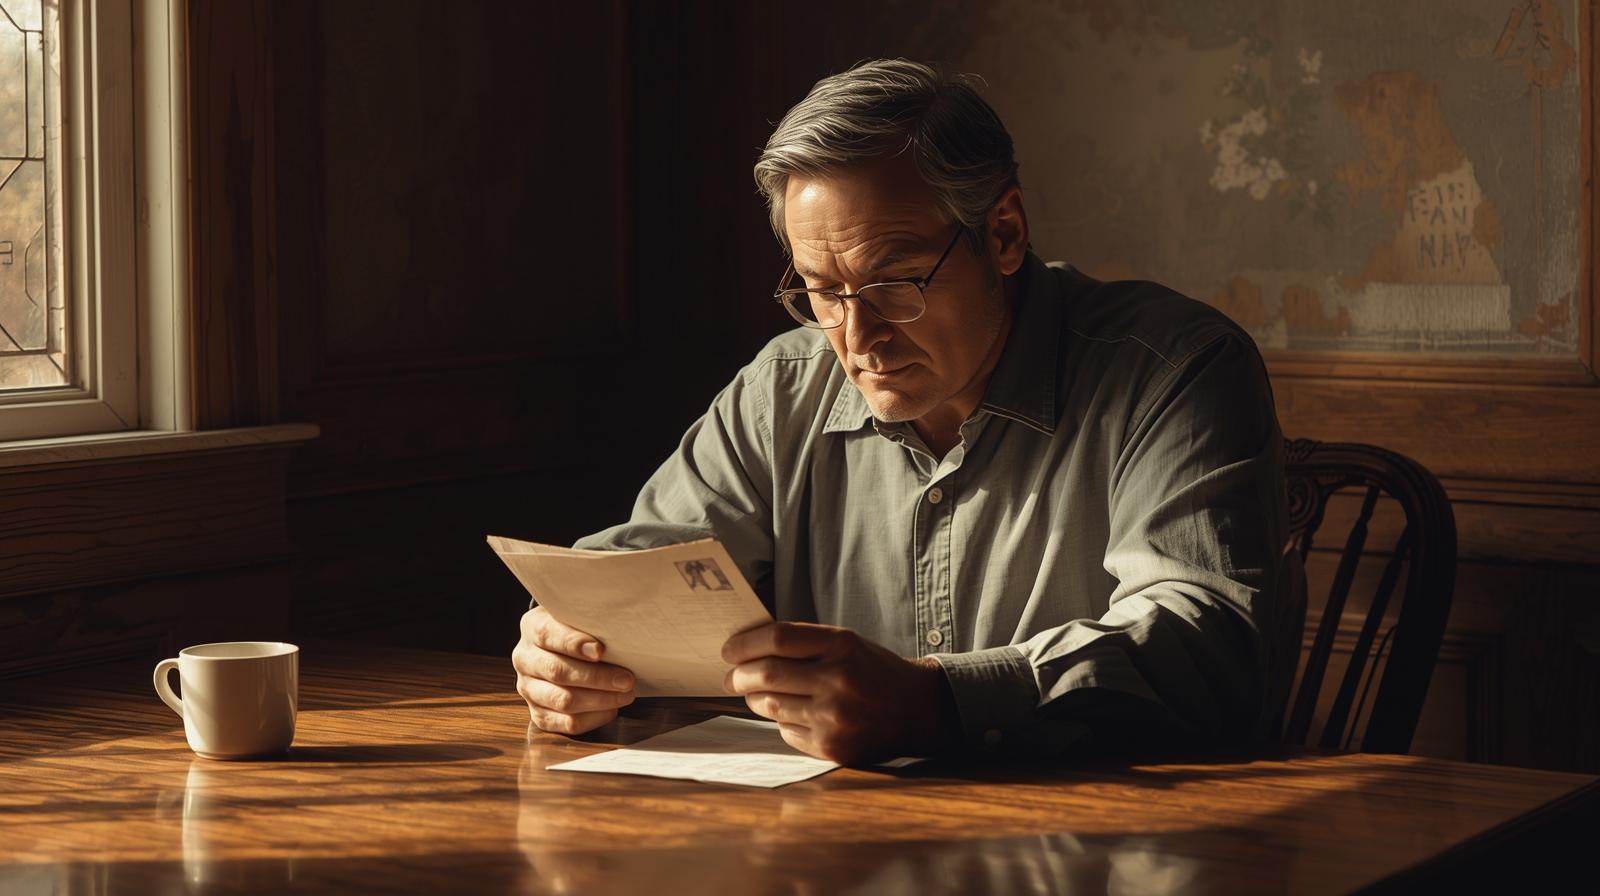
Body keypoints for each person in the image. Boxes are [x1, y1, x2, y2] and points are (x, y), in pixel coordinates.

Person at [512, 58, 1300, 765]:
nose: (857, 339)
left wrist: (937, 702)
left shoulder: (1176, 370)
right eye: (822, 290)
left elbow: (1206, 640)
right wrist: (568, 644)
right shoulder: (782, 388)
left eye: (895, 283)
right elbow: (637, 569)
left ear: (1004, 233)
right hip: (833, 843)